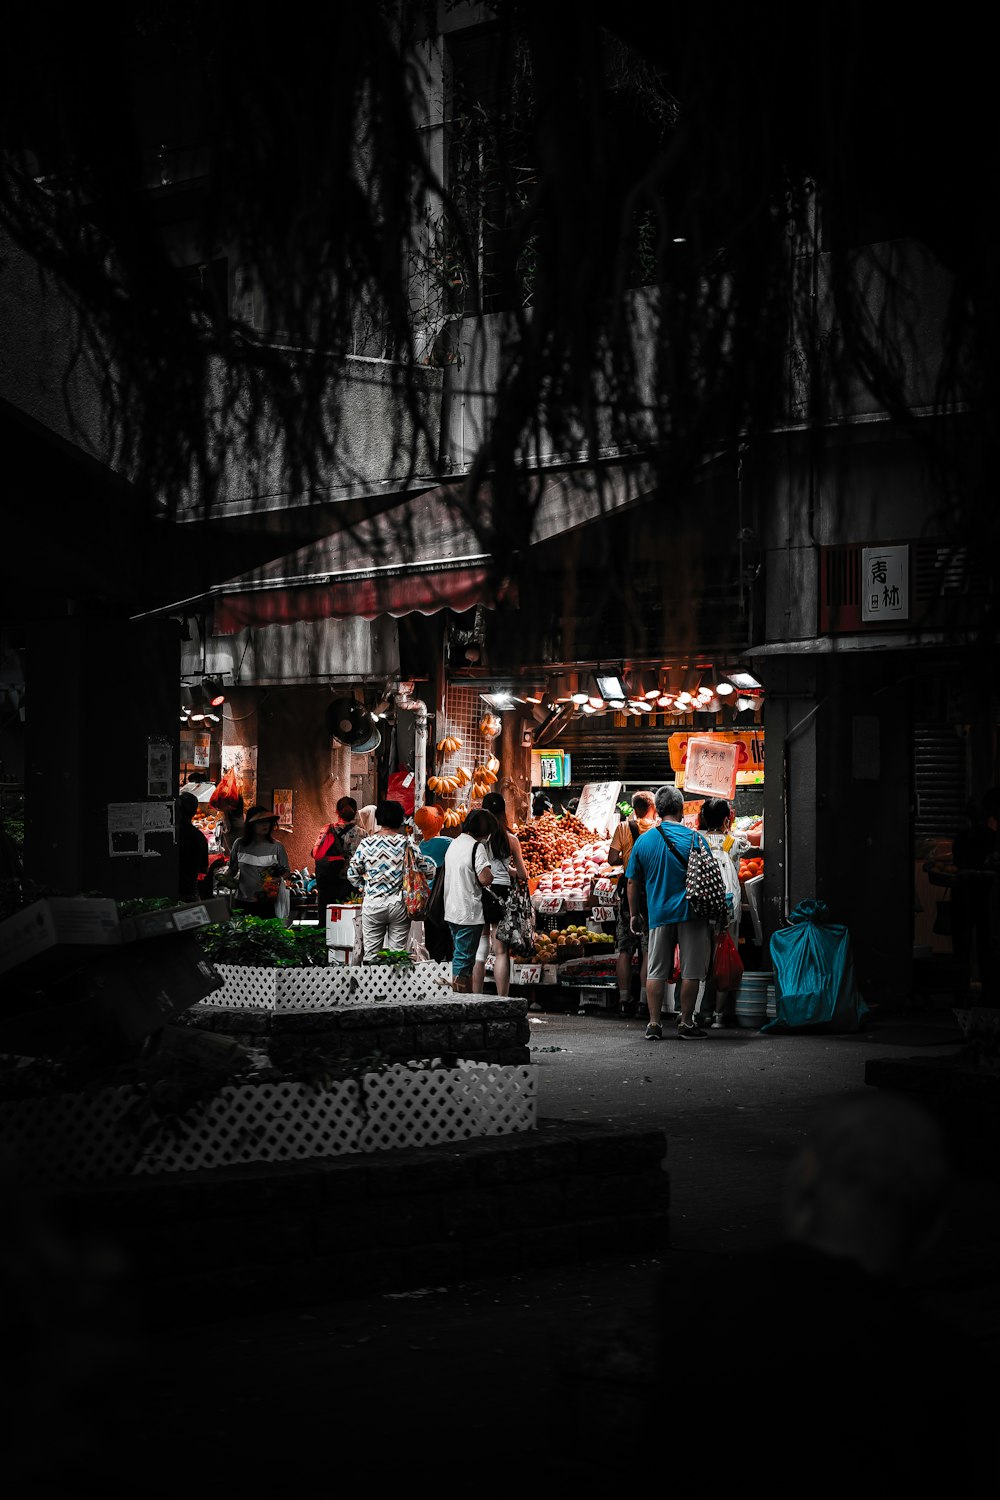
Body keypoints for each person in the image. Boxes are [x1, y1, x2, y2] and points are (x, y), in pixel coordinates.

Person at [626, 783, 712, 1040]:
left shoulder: (644, 841)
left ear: (658, 810)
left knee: (656, 970)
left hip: (659, 913)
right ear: (681, 810)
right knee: (691, 971)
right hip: (691, 914)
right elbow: (708, 877)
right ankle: (686, 1023)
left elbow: (632, 881)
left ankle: (654, 1024)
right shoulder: (696, 839)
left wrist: (634, 914)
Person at [346, 799, 435, 962]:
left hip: (373, 904)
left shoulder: (366, 844)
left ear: (379, 819)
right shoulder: (407, 843)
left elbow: (352, 874)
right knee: (397, 956)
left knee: (371, 956)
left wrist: (365, 885)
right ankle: (395, 986)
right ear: (401, 820)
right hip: (399, 905)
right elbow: (428, 870)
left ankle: (372, 986)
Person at [698, 796, 751, 1027]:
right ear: (726, 819)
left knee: (702, 960)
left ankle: (700, 1011)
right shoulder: (732, 842)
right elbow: (750, 847)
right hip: (727, 909)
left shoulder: (697, 840)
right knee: (723, 959)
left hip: (702, 908)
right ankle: (719, 1015)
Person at [473, 792, 530, 996]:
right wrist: (512, 871)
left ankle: (475, 998)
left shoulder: (477, 840)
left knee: (480, 949)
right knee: (500, 951)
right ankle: (502, 999)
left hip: (481, 890)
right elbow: (523, 874)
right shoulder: (511, 839)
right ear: (503, 811)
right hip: (502, 894)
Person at [607, 791, 658, 1017]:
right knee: (648, 951)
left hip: (629, 891)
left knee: (625, 950)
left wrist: (626, 857)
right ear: (652, 807)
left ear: (633, 807)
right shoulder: (657, 830)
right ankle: (644, 1003)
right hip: (651, 892)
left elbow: (611, 859)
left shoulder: (623, 828)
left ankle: (624, 1000)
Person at [951, 787, 1000, 1004]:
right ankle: (964, 990)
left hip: (983, 894)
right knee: (965, 943)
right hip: (970, 894)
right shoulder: (966, 839)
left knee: (985, 944)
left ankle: (988, 991)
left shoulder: (991, 838)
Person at [443, 808, 497, 992]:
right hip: (468, 911)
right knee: (464, 960)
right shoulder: (476, 847)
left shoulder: (454, 843)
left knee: (460, 955)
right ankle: (458, 998)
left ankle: (461, 997)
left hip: (452, 909)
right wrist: (492, 875)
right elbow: (484, 878)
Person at [224, 805, 291, 918]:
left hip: (267, 902)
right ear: (251, 825)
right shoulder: (239, 844)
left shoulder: (277, 847)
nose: (265, 825)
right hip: (243, 901)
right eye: (261, 822)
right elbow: (232, 869)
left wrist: (278, 878)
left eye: (267, 821)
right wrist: (223, 879)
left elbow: (287, 872)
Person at [311, 795, 359, 911]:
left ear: (337, 812)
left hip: (328, 881)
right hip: (350, 883)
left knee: (326, 918)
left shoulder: (327, 830)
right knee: (347, 917)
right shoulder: (362, 834)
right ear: (355, 812)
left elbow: (315, 853)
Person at [176, 791, 209, 902]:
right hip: (189, 892)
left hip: (170, 890)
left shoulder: (171, 834)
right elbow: (204, 869)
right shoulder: (199, 837)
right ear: (195, 812)